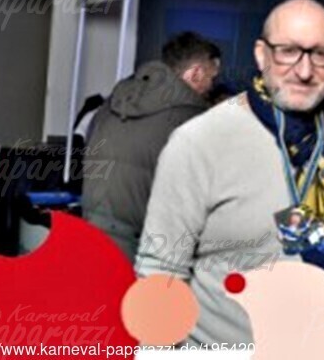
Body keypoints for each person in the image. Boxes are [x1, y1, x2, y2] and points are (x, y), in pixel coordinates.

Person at [135, 0, 324, 347]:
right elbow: (160, 275)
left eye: (320, 54)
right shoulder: (198, 142)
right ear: (261, 54)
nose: (304, 70)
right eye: (288, 51)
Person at [82, 31, 220, 262]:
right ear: (195, 73)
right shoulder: (192, 119)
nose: (211, 86)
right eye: (211, 77)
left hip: (92, 229)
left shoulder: (113, 102)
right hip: (144, 246)